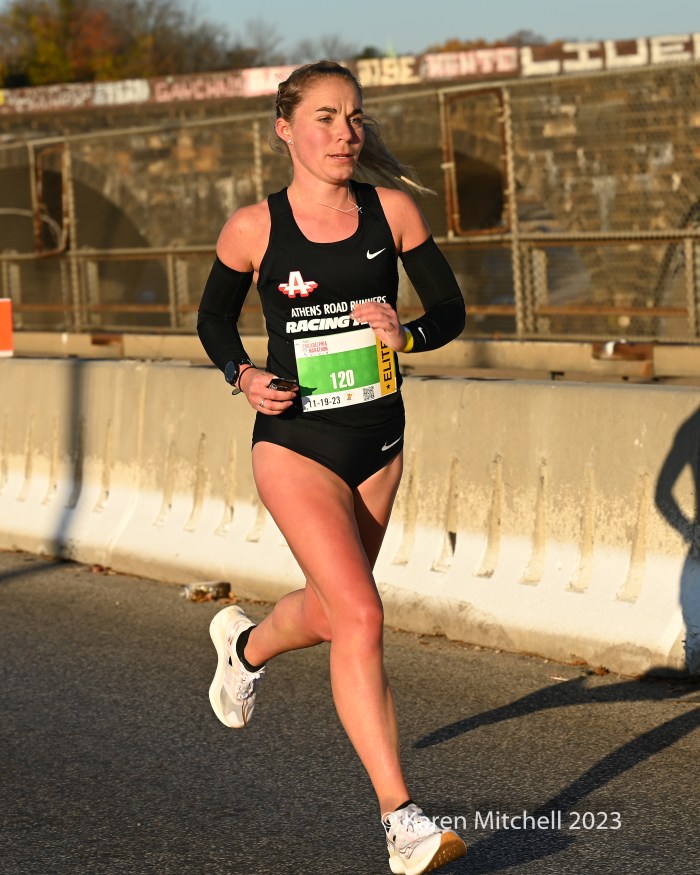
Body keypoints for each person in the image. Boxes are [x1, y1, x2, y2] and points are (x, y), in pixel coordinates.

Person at [197, 60, 467, 875]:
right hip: (295, 444)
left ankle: (245, 647)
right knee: (361, 614)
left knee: (330, 610)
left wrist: (406, 335)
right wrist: (242, 374)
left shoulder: (393, 213)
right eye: (325, 117)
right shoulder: (254, 228)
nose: (345, 132)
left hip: (378, 441)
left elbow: (450, 310)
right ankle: (402, 817)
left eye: (353, 117)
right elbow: (214, 320)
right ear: (285, 129)